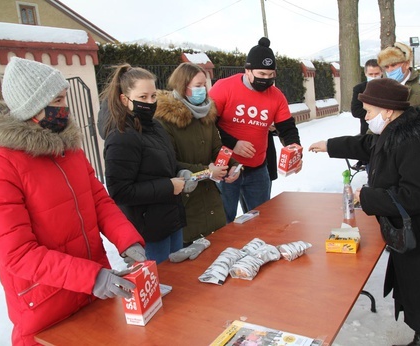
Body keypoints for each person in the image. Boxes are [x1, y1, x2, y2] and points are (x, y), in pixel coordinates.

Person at [0, 57, 146, 346]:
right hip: (46, 309)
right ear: (32, 109)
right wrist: (93, 277)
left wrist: (128, 241)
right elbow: (17, 254)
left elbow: (98, 200)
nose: (65, 108)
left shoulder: (68, 149)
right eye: (58, 100)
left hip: (92, 294)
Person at [308, 78, 420, 346]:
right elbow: (368, 146)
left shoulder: (416, 142)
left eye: (369, 111)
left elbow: (416, 195)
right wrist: (329, 145)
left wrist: (366, 197)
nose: (366, 118)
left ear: (388, 110)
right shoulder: (397, 131)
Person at [209, 37, 302, 222]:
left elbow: (287, 128)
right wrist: (233, 144)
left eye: (270, 75)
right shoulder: (224, 88)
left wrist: (295, 152)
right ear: (248, 71)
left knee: (260, 220)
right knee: (223, 221)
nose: (266, 80)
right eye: (261, 74)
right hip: (225, 167)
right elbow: (207, 125)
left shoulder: (276, 96)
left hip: (258, 169)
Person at [100, 64, 186, 263]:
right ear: (124, 100)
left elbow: (166, 165)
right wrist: (168, 186)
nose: (150, 102)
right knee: (161, 287)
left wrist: (182, 172)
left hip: (171, 221)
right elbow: (119, 191)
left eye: (153, 96)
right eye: (142, 97)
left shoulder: (156, 126)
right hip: (148, 232)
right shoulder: (121, 137)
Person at [154, 62, 240, 245]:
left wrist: (232, 166)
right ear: (183, 86)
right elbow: (171, 164)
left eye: (205, 85)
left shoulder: (207, 113)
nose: (204, 90)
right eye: (198, 86)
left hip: (212, 201)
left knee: (219, 250)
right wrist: (207, 172)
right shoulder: (165, 121)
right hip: (187, 204)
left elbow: (217, 149)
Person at [350, 58, 382, 171]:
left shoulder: (388, 87)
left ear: (381, 72)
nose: (374, 76)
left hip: (386, 132)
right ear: (365, 73)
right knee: (370, 164)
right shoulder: (359, 89)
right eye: (371, 74)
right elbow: (356, 110)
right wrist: (377, 113)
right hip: (367, 131)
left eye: (376, 74)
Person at [377, 42, 420, 107]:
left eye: (393, 65)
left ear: (407, 64)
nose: (390, 70)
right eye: (386, 67)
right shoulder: (381, 87)